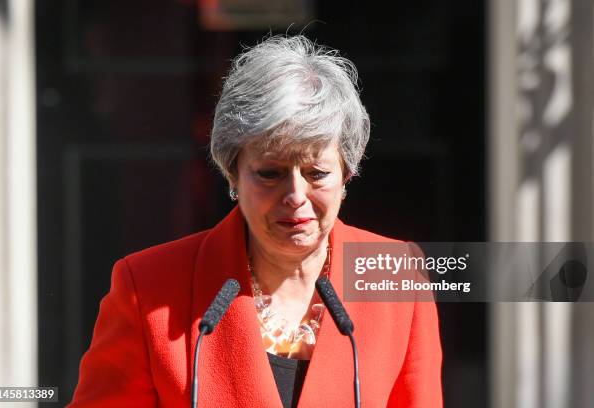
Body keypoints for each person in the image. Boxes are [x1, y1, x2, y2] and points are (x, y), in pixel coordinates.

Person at [69, 35, 443, 407]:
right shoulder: (148, 288)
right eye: (270, 173)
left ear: (346, 175)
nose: (295, 196)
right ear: (233, 174)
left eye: (316, 173)